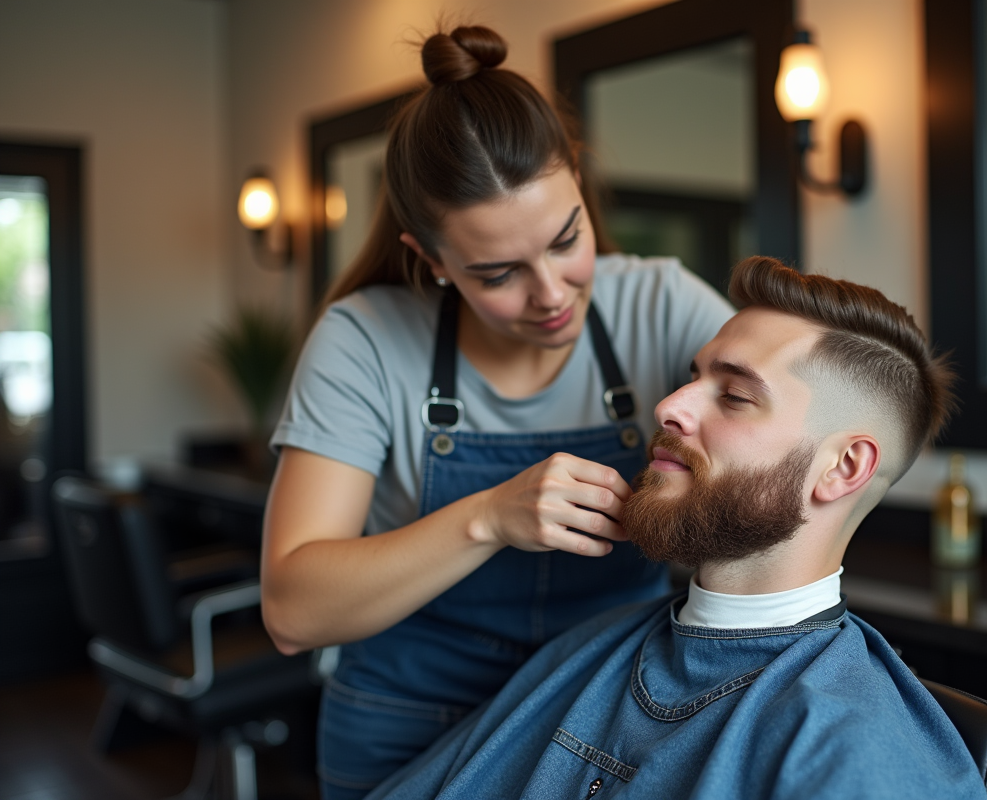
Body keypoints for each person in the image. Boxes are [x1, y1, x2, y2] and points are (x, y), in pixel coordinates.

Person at [259, 25, 733, 800]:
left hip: (608, 716)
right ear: (432, 259)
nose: (550, 294)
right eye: (498, 273)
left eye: (566, 239)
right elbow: (292, 611)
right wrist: (488, 517)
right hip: (410, 723)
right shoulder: (364, 340)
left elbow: (795, 407)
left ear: (577, 180)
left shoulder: (661, 304)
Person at [363, 256, 987, 800]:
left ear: (843, 468)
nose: (669, 406)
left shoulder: (855, 750)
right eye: (694, 377)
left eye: (735, 396)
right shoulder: (586, 650)